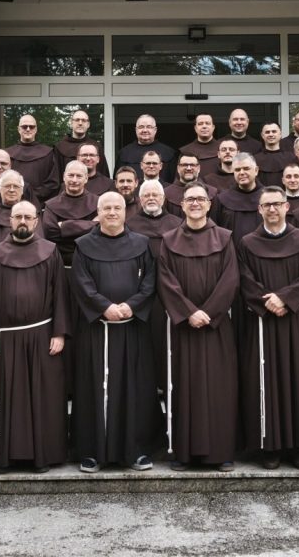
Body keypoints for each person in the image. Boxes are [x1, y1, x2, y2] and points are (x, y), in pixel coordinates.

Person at [0, 201, 69, 473]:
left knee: (43, 396)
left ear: (37, 221)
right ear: (10, 220)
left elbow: (60, 294)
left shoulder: (50, 252)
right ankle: (4, 456)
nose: (23, 221)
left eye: (28, 217)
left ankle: (42, 456)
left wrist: (60, 332)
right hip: (5, 338)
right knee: (6, 397)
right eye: (18, 217)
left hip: (42, 335)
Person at [71, 192, 158, 473]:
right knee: (92, 389)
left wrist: (131, 307)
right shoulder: (83, 246)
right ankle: (91, 451)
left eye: (117, 207)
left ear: (125, 211)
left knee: (134, 388)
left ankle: (135, 451)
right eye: (106, 208)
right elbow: (82, 283)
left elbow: (149, 283)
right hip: (97, 330)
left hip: (131, 329)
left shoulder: (141, 244)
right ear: (97, 212)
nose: (112, 212)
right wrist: (104, 307)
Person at [157, 184, 238, 471]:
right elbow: (165, 280)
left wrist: (209, 312)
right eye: (189, 199)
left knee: (219, 388)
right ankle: (183, 453)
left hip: (216, 328)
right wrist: (189, 312)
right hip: (183, 328)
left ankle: (221, 453)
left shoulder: (225, 238)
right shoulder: (168, 240)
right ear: (180, 205)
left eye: (200, 199)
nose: (195, 203)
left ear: (209, 204)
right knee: (183, 387)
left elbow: (230, 279)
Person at [238, 187, 299, 470]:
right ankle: (269, 447)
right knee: (265, 383)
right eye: (266, 205)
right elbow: (244, 278)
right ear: (259, 210)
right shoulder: (247, 242)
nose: (272, 209)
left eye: (277, 204)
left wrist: (286, 299)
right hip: (262, 322)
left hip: (295, 320)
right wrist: (268, 302)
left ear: (287, 207)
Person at [126, 179, 183, 398]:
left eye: (155, 195)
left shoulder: (178, 223)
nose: (151, 198)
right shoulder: (130, 224)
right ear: (140, 200)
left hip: (170, 292)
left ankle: (166, 383)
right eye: (146, 195)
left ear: (163, 198)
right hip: (140, 293)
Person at [42, 160, 99, 266]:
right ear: (64, 176)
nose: (74, 180)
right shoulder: (51, 205)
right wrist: (91, 224)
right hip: (60, 260)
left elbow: (100, 231)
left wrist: (64, 226)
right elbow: (50, 233)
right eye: (71, 175)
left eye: (79, 176)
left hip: (91, 259)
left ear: (86, 178)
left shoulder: (98, 202)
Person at [6, 114, 60, 203]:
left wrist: (31, 194)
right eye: (24, 126)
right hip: (12, 202)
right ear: (18, 129)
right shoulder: (8, 154)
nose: (28, 129)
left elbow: (53, 183)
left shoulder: (48, 153)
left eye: (31, 127)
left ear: (36, 129)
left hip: (39, 203)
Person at [216, 152, 263, 246]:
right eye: (237, 170)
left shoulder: (268, 197)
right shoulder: (221, 199)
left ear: (256, 170)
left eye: (246, 168)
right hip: (232, 254)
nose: (242, 173)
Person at [116, 114, 177, 183]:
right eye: (141, 127)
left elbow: (174, 182)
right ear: (136, 130)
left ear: (155, 130)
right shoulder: (124, 153)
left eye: (149, 127)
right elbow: (118, 181)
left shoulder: (168, 152)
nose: (145, 130)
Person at [55, 109, 110, 178]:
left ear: (88, 124)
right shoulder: (60, 147)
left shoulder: (96, 146)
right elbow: (56, 176)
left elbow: (104, 173)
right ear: (71, 123)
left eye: (84, 120)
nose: (80, 123)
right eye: (77, 120)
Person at [164, 153, 218, 217]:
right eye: (184, 165)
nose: (189, 168)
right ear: (178, 168)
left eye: (192, 165)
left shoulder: (212, 193)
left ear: (198, 168)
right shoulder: (166, 194)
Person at [257, 122, 294, 186]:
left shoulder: (291, 157)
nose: (271, 134)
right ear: (262, 136)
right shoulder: (255, 159)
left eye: (274, 131)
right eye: (267, 132)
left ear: (280, 134)